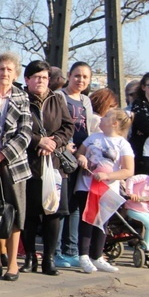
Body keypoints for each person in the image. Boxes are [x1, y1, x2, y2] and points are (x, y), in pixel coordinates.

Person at [0, 53, 32, 281]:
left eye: (10, 70)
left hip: (13, 164)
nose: (5, 74)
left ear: (16, 73)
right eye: (1, 69)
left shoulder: (22, 97)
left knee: (15, 214)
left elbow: (26, 133)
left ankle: (12, 264)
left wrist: (1, 156)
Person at [21, 60, 74, 276]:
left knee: (54, 213)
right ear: (27, 79)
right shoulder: (21, 98)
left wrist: (54, 141)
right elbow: (16, 127)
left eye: (44, 77)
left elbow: (68, 126)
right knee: (30, 213)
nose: (41, 81)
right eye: (37, 77)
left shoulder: (57, 99)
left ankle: (49, 258)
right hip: (30, 163)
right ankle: (30, 256)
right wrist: (37, 141)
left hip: (54, 164)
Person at [73, 109, 134, 273]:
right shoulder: (93, 137)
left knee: (102, 221)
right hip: (86, 185)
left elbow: (128, 170)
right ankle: (83, 255)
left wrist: (108, 175)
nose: (102, 118)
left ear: (114, 123)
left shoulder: (122, 144)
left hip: (107, 188)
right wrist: (81, 158)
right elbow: (80, 153)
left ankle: (97, 256)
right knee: (86, 219)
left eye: (106, 116)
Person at [55, 62, 96, 270]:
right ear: (69, 76)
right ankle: (56, 251)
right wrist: (65, 145)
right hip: (63, 156)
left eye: (85, 77)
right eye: (77, 76)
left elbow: (87, 128)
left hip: (81, 157)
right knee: (61, 204)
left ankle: (71, 249)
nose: (81, 80)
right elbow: (55, 124)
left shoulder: (86, 101)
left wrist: (86, 151)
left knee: (75, 205)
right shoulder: (59, 96)